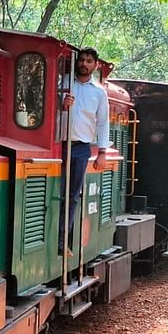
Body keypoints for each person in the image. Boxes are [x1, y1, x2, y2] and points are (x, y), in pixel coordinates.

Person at [59, 47, 109, 256]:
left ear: (95, 65)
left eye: (89, 61)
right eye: (82, 60)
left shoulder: (99, 92)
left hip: (81, 148)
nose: (84, 64)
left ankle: (63, 241)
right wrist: (61, 105)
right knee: (57, 193)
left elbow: (103, 122)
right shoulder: (62, 83)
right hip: (58, 145)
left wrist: (103, 152)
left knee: (72, 196)